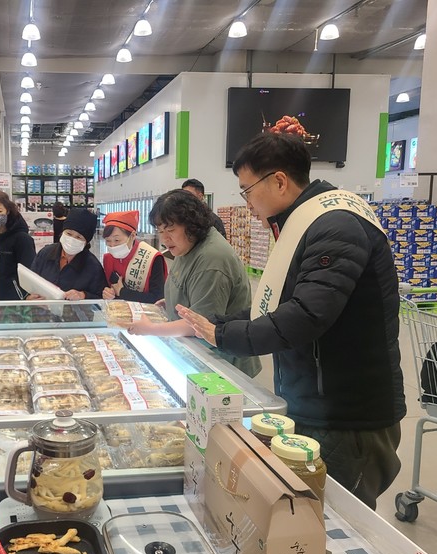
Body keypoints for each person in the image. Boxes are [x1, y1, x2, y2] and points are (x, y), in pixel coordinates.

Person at [178, 132, 405, 510]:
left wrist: (223, 334)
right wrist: (214, 323)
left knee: (331, 520)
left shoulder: (336, 226)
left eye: (247, 190)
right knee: (299, 516)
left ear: (279, 181)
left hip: (348, 417)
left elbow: (306, 315)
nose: (247, 203)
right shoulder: (305, 224)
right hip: (315, 405)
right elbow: (274, 306)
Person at [127, 190, 260, 378]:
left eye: (170, 230)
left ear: (191, 225)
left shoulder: (212, 259)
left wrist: (150, 329)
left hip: (222, 364)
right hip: (196, 352)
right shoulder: (187, 245)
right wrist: (171, 301)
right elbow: (188, 283)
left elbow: (199, 324)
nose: (164, 239)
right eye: (160, 231)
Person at [30, 208, 106, 300]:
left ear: (86, 242)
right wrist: (30, 298)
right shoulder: (45, 253)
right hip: (42, 308)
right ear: (63, 232)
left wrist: (83, 295)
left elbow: (100, 298)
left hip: (75, 309)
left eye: (79, 237)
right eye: (69, 234)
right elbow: (31, 281)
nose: (72, 239)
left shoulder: (93, 267)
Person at [101, 210, 167, 303]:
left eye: (117, 240)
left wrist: (123, 292)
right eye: (108, 241)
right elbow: (108, 288)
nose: (112, 246)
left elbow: (158, 298)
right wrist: (107, 293)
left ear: (132, 236)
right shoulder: (108, 259)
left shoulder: (152, 258)